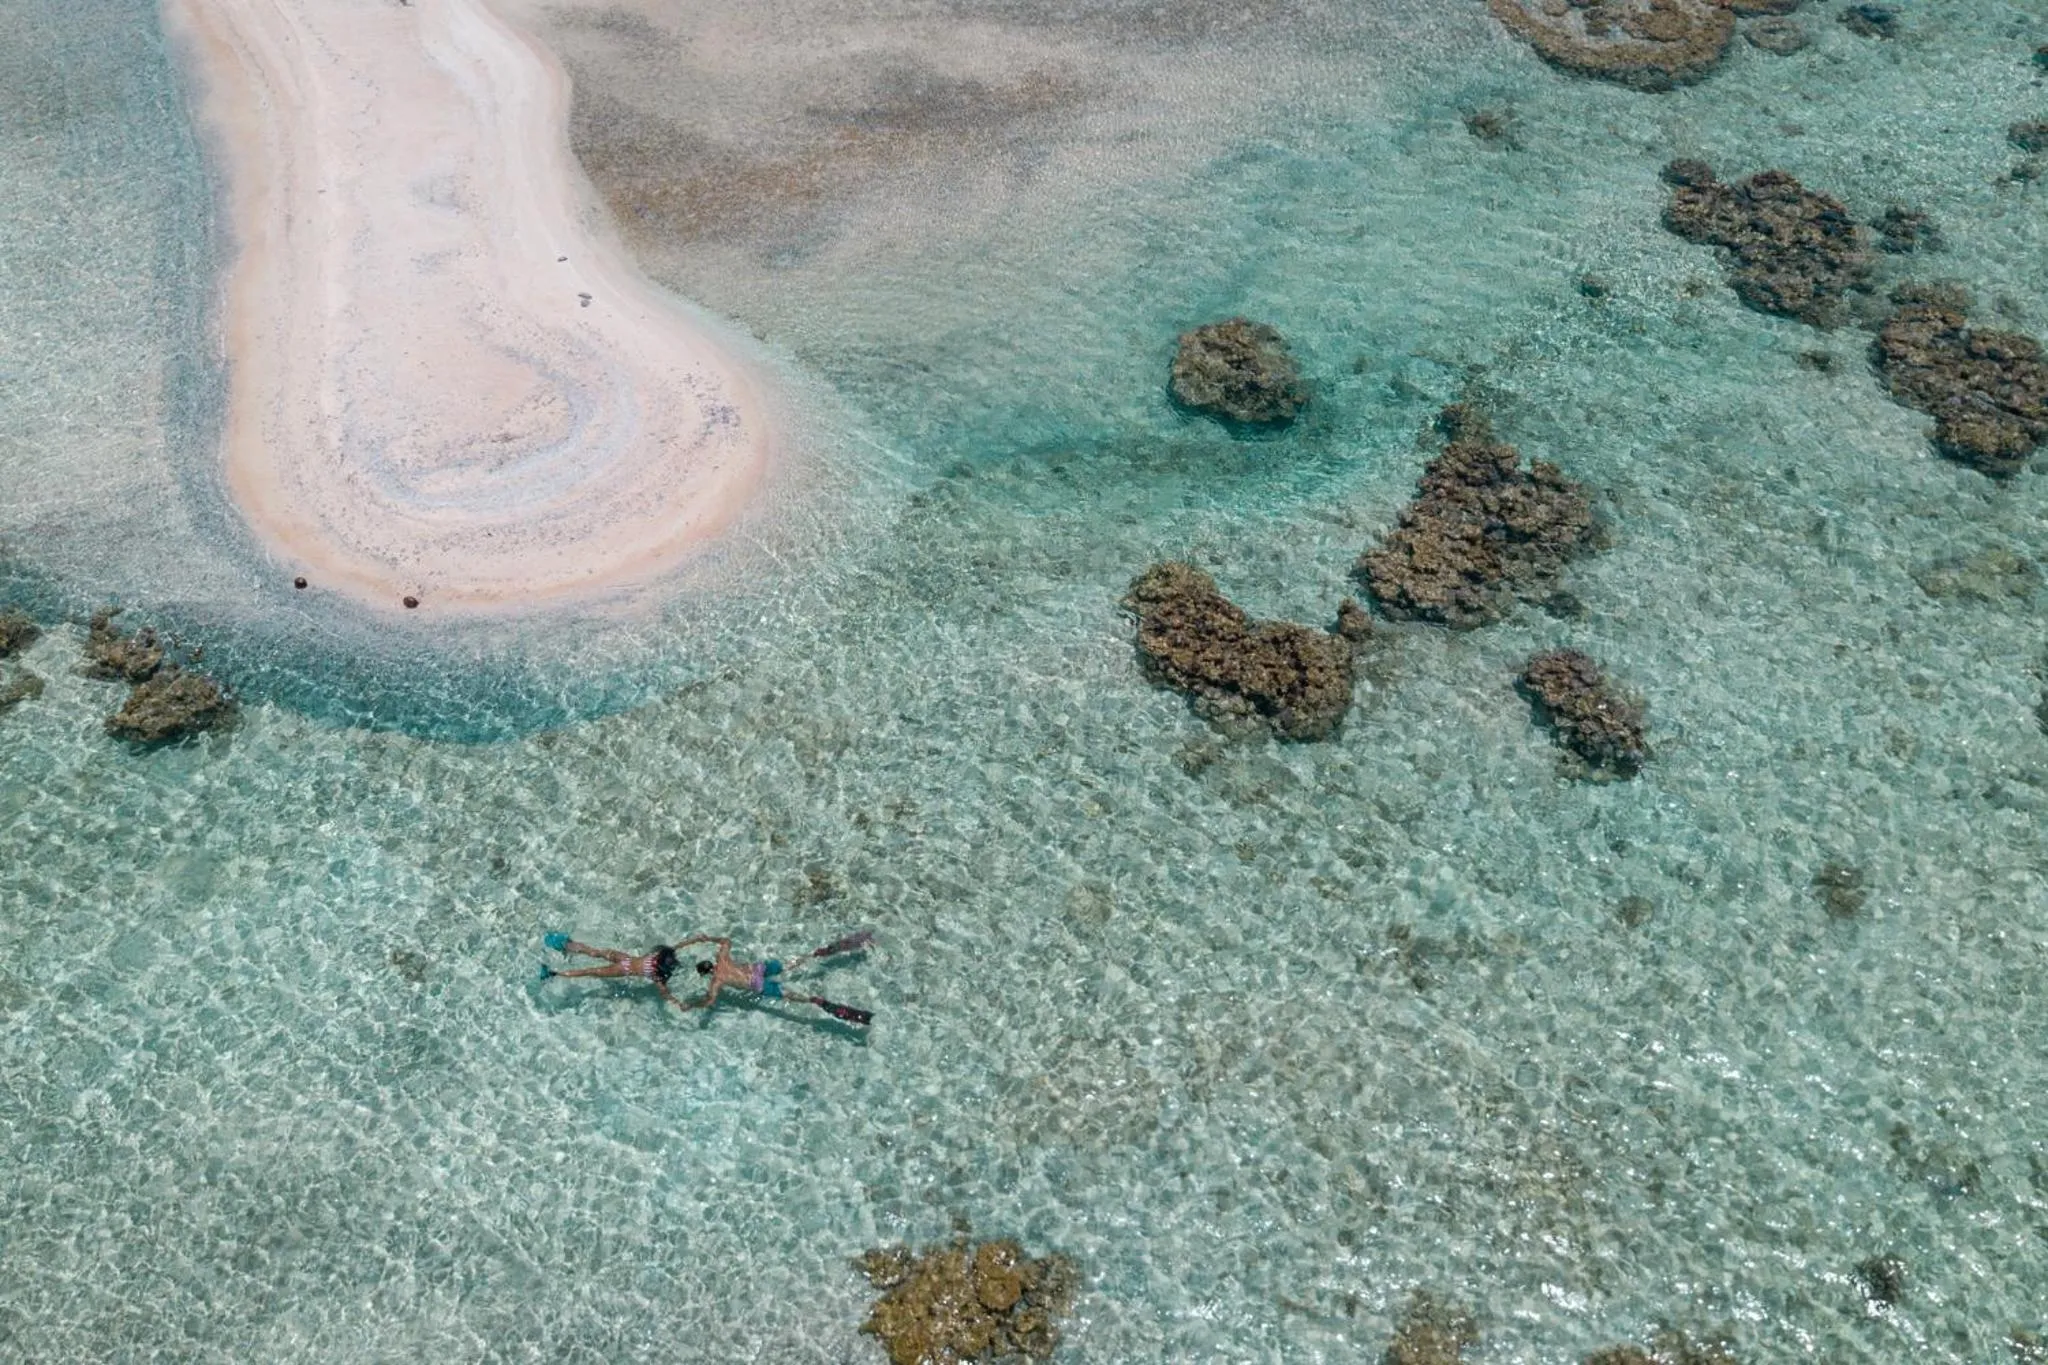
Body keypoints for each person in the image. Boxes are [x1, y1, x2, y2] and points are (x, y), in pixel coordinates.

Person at [540, 928, 875, 1026]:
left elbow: (710, 1000)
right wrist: (697, 939)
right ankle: (824, 952)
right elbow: (724, 941)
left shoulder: (716, 980)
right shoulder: (722, 959)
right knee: (794, 963)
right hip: (758, 970)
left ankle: (818, 1001)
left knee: (794, 997)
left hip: (757, 985)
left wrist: (692, 1007)